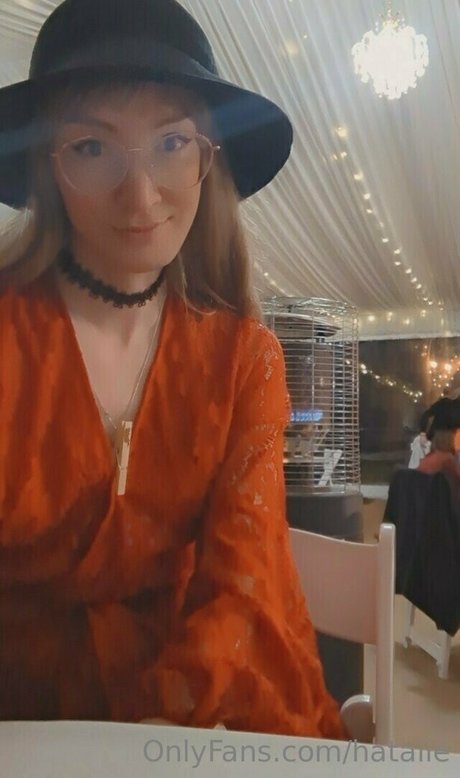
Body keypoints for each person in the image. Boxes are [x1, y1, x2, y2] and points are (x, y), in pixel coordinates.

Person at [0, 0, 345, 738]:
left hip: (194, 719)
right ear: (48, 166)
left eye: (170, 142)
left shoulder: (243, 360)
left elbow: (244, 589)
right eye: (92, 146)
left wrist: (144, 738)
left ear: (205, 157)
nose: (141, 193)